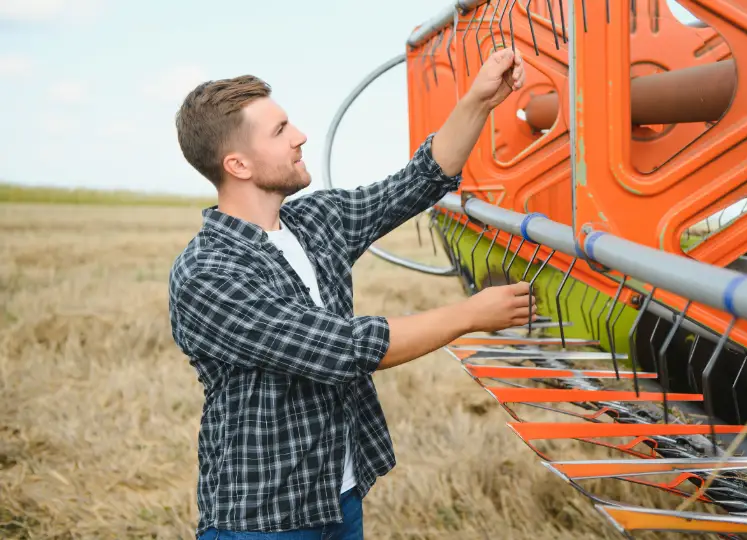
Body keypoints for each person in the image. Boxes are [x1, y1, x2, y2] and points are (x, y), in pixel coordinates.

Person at [167, 47, 531, 540]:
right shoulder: (207, 274)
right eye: (279, 131)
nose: (300, 136)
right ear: (239, 164)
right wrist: (469, 315)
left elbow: (418, 181)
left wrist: (479, 101)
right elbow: (344, 349)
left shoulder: (317, 221)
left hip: (338, 497)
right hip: (263, 518)